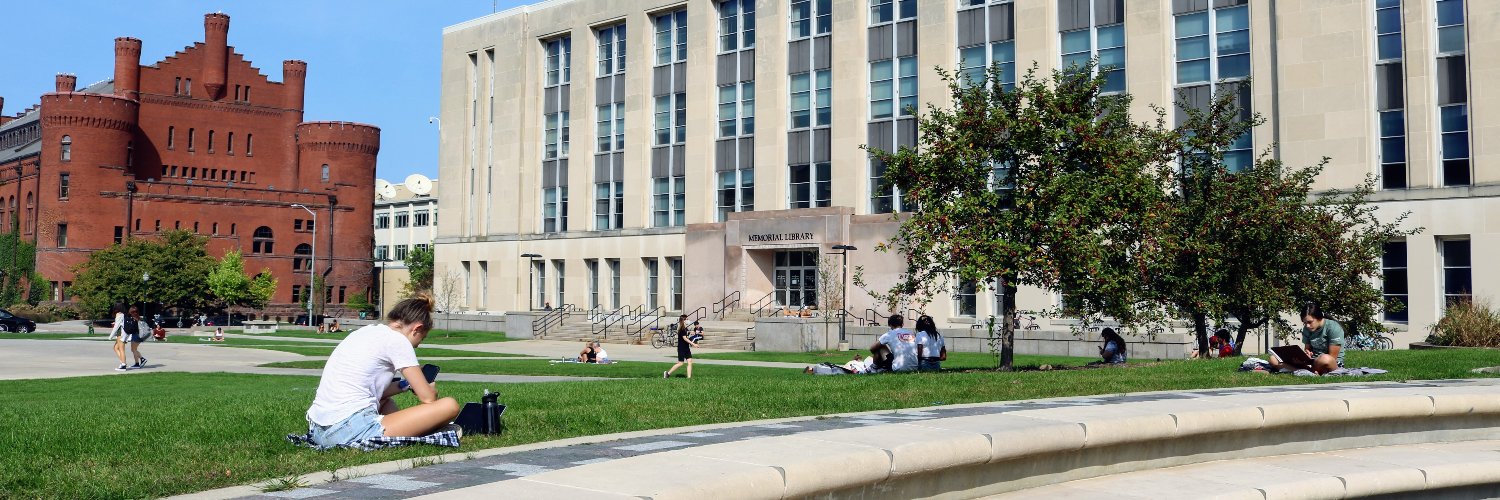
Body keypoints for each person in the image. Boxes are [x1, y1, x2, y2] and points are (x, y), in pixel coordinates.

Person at [303, 295, 460, 448]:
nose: (418, 345)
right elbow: (428, 398)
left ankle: (417, 428)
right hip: (348, 428)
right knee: (449, 405)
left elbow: (374, 393)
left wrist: (406, 385)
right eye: (422, 338)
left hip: (319, 430)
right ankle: (425, 430)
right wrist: (430, 389)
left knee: (384, 401)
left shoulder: (364, 332)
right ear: (417, 329)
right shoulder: (398, 340)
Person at [1270, 302, 1344, 375]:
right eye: (1305, 323)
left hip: (1329, 363)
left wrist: (1311, 362)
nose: (1307, 326)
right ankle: (1309, 371)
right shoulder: (1307, 329)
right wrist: (1306, 356)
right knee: (1273, 359)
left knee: (1325, 358)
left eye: (1310, 322)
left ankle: (1304, 370)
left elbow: (1332, 357)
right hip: (1312, 362)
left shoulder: (1333, 327)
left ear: (1319, 317)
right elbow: (1308, 349)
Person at [109, 304, 130, 371]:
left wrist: (111, 336)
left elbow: (116, 326)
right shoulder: (124, 314)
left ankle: (123, 365)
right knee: (115, 348)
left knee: (121, 349)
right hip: (123, 333)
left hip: (121, 333)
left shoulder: (119, 314)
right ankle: (123, 362)